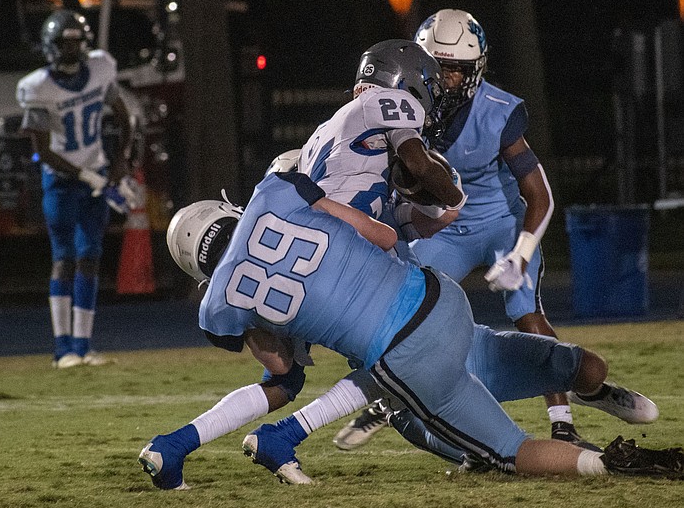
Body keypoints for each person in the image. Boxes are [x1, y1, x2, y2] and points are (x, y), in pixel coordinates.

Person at [148, 170, 681, 488]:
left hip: (404, 357)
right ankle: (587, 379)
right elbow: (380, 236)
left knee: (507, 452)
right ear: (226, 210)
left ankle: (612, 464)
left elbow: (283, 370)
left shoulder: (216, 307)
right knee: (514, 356)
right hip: (438, 297)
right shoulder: (274, 190)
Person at [336, 9, 590, 450]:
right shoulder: (404, 105)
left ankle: (563, 421)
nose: (447, 78)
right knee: (403, 312)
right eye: (439, 66)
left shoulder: (498, 111)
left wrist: (522, 253)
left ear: (475, 70)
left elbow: (540, 195)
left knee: (527, 312)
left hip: (500, 223)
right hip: (445, 229)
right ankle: (387, 397)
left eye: (457, 68)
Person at [17, 9, 140, 368]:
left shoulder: (100, 70)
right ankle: (62, 349)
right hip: (61, 181)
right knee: (64, 258)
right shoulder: (38, 87)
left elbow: (125, 116)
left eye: (76, 42)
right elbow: (42, 151)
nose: (71, 50)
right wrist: (88, 176)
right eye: (65, 43)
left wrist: (121, 159)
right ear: (51, 46)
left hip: (97, 174)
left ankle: (83, 347)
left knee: (90, 256)